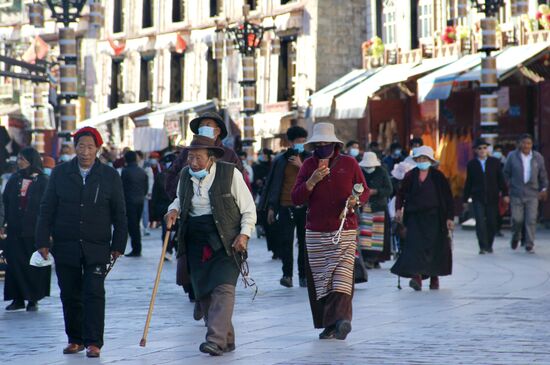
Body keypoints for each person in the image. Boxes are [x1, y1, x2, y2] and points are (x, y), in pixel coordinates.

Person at [35, 127, 127, 358]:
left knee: (94, 292)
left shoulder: (109, 176)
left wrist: (118, 244)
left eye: (90, 147)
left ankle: (94, 342)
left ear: (97, 149)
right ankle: (75, 338)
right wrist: (42, 240)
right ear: (75, 148)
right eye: (81, 146)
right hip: (66, 244)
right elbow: (47, 209)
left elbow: (120, 213)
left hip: (97, 246)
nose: (85, 152)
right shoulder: (60, 173)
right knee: (70, 293)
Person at [164, 135, 256, 356]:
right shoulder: (185, 175)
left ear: (211, 158)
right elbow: (179, 198)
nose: (192, 162)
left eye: (198, 157)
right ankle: (227, 338)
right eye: (190, 157)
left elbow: (249, 209)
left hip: (227, 240)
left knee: (223, 288)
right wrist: (173, 209)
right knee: (203, 291)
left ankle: (214, 339)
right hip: (195, 239)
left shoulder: (229, 173)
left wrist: (244, 235)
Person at [291, 122, 369, 341]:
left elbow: (364, 190)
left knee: (342, 278)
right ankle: (329, 325)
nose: (323, 146)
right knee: (321, 281)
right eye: (319, 144)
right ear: (314, 145)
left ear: (335, 144)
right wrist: (311, 181)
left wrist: (356, 200)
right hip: (316, 232)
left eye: (327, 143)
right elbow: (296, 197)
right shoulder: (307, 165)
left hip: (344, 229)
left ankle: (343, 320)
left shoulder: (349, 163)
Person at [391, 146, 454, 291]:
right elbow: (401, 194)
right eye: (419, 159)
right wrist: (399, 209)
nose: (422, 161)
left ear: (430, 161)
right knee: (414, 247)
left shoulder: (438, 177)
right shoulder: (410, 176)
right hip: (414, 217)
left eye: (425, 159)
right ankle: (417, 277)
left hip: (435, 217)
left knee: (434, 247)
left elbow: (448, 197)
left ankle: (434, 278)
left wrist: (449, 217)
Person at [262, 126, 310, 288]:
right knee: (286, 242)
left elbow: (316, 179)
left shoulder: (309, 159)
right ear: (290, 142)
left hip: (305, 207)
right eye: (298, 141)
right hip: (285, 206)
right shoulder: (280, 160)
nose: (301, 144)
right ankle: (287, 275)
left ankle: (303, 276)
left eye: (304, 141)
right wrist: (271, 208)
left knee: (304, 243)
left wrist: (301, 165)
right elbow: (274, 186)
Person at [3, 147, 49, 311]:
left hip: (34, 231)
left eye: (23, 159)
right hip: (15, 230)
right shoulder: (14, 179)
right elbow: (5, 202)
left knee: (33, 266)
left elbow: (48, 206)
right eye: (19, 158)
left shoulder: (43, 181)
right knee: (15, 264)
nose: (19, 161)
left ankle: (33, 298)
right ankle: (17, 298)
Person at [165, 112, 243, 200]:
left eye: (208, 125)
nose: (203, 128)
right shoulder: (186, 152)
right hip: (190, 207)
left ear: (217, 131)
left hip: (221, 208)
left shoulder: (229, 155)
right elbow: (170, 175)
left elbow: (240, 183)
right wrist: (178, 200)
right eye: (201, 125)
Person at [463, 138, 509, 254]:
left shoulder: (494, 162)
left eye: (484, 148)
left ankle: (489, 244)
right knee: (480, 222)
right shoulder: (472, 164)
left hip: (492, 197)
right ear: (475, 150)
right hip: (478, 196)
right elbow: (468, 182)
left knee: (492, 222)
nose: (482, 150)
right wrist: (465, 199)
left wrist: (505, 193)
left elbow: (501, 179)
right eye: (480, 148)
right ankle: (482, 246)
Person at [503, 134, 548, 253]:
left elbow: (543, 175)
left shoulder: (538, 157)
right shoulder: (512, 156)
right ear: (519, 144)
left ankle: (529, 243)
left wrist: (544, 189)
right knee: (517, 219)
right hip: (516, 193)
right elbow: (506, 173)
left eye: (529, 143)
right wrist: (505, 190)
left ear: (532, 144)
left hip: (532, 193)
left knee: (531, 219)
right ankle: (516, 236)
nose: (526, 146)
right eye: (524, 143)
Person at [357, 152, 393, 269]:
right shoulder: (360, 172)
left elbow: (388, 189)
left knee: (378, 235)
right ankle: (368, 258)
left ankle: (376, 259)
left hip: (379, 208)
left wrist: (376, 191)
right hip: (365, 207)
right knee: (365, 235)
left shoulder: (382, 172)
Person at [122, 151, 148, 257]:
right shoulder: (142, 171)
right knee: (136, 224)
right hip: (140, 200)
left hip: (130, 201)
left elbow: (122, 187)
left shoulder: (126, 171)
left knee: (133, 226)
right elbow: (145, 187)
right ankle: (137, 248)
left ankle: (136, 249)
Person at [151, 153, 177, 261]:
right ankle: (168, 250)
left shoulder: (178, 175)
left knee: (169, 230)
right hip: (166, 207)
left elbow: (155, 195)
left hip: (170, 207)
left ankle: (169, 250)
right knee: (168, 230)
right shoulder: (164, 176)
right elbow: (155, 194)